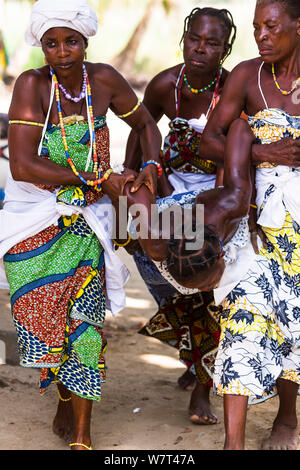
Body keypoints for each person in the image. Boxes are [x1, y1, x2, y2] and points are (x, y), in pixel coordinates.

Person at [0, 0, 162, 451]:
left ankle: (84, 436)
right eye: (51, 43)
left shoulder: (105, 79)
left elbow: (146, 123)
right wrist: (97, 178)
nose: (62, 51)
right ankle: (64, 393)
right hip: (34, 218)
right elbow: (22, 165)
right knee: (43, 322)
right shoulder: (32, 86)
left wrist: (148, 163)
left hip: (87, 221)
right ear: (41, 47)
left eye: (71, 41)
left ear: (85, 41)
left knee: (85, 324)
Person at [124, 7, 237, 425]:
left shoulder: (234, 89)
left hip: (216, 196)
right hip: (169, 188)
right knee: (158, 269)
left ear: (225, 50)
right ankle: (196, 357)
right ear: (184, 38)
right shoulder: (165, 84)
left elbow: (235, 162)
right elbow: (141, 131)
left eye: (211, 43)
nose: (200, 49)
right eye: (194, 39)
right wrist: (136, 177)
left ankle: (202, 386)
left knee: (202, 277)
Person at [200, 0, 300, 450]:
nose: (262, 35)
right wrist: (262, 153)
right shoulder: (247, 74)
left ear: (298, 26)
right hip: (255, 219)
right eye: (258, 26)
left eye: (271, 26)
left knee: (294, 323)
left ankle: (287, 414)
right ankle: (233, 443)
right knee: (244, 314)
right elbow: (209, 139)